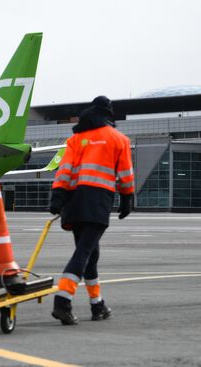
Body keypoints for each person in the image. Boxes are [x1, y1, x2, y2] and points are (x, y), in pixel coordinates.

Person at [49, 96, 134, 325]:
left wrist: (58, 196)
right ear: (109, 114)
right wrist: (127, 198)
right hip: (97, 201)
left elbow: (64, 169)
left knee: (90, 254)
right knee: (84, 252)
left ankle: (98, 305)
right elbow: (125, 174)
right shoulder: (119, 139)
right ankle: (63, 300)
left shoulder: (77, 139)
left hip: (74, 201)